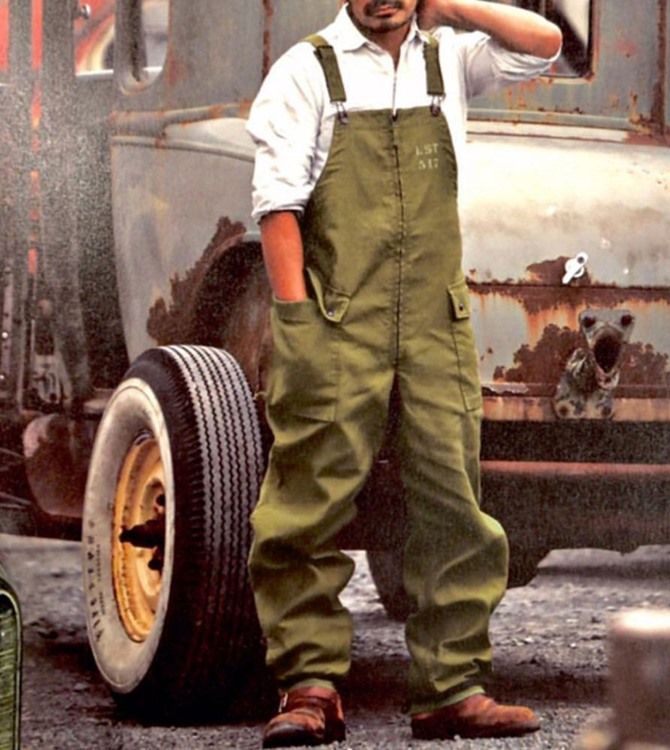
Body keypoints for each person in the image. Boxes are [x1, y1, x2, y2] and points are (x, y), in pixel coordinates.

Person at [246, 0, 561, 745]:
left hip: (432, 321)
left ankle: (450, 688)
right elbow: (278, 208)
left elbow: (545, 44)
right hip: (338, 321)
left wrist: (448, 4)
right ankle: (310, 687)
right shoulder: (306, 71)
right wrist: (298, 322)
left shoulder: (444, 59)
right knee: (306, 498)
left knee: (454, 499)